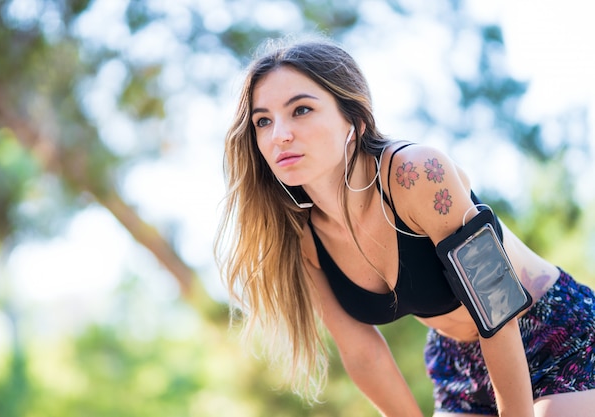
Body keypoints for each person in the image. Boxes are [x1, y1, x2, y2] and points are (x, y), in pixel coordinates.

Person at [214, 35, 595, 417]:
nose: (280, 134)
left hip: (557, 333)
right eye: (263, 120)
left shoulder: (417, 174)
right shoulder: (303, 238)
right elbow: (362, 353)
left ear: (355, 120)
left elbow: (498, 310)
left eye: (300, 110)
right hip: (458, 364)